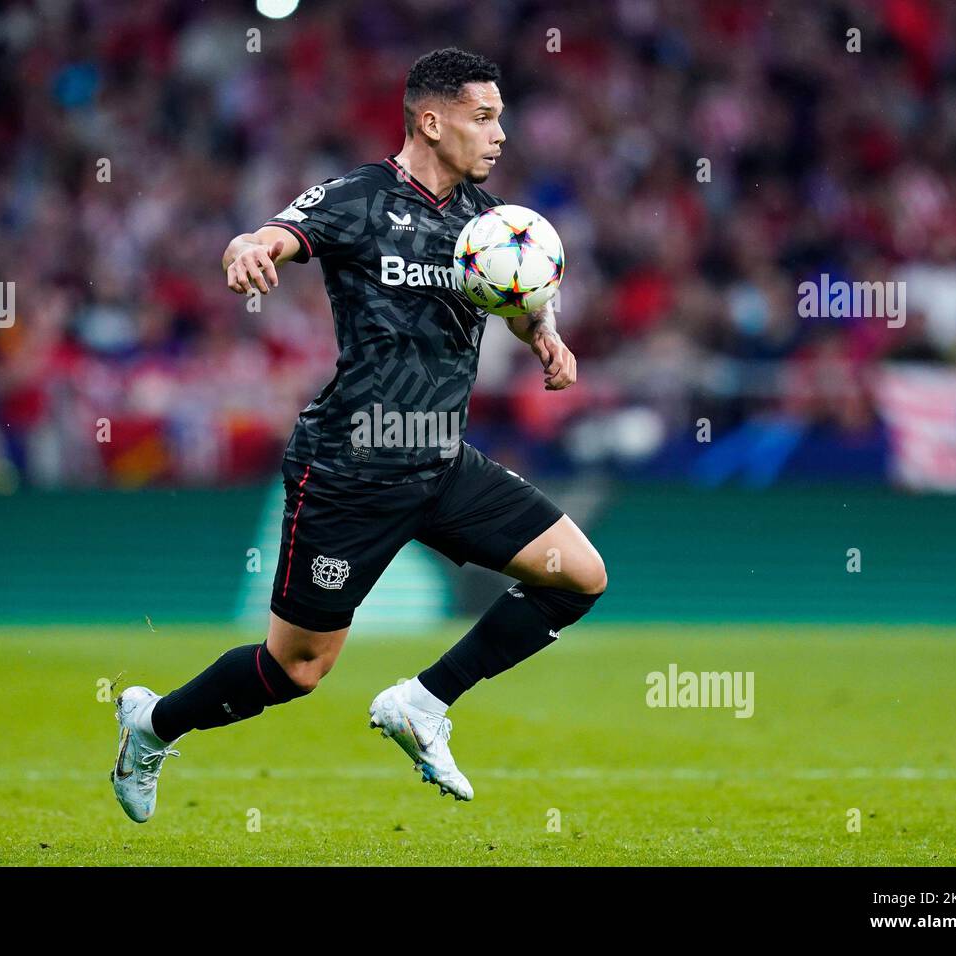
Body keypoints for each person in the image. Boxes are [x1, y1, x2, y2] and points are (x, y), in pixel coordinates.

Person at [111, 48, 606, 822]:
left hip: (442, 462)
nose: (500, 133)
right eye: (485, 116)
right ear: (431, 120)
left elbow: (515, 293)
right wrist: (248, 249)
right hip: (350, 465)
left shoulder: (489, 221)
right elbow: (272, 235)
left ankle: (424, 702)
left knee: (578, 576)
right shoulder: (360, 199)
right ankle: (151, 725)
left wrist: (543, 332)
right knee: (297, 670)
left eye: (502, 116)